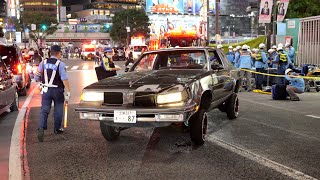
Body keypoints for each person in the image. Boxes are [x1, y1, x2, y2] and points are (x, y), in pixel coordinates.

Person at [35, 45, 71, 142]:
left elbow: (36, 76)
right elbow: (64, 79)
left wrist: (41, 82)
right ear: (59, 53)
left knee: (45, 109)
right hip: (57, 90)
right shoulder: (61, 64)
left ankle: (41, 128)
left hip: (45, 90)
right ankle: (57, 128)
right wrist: (68, 91)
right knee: (58, 109)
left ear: (50, 53)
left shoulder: (43, 62)